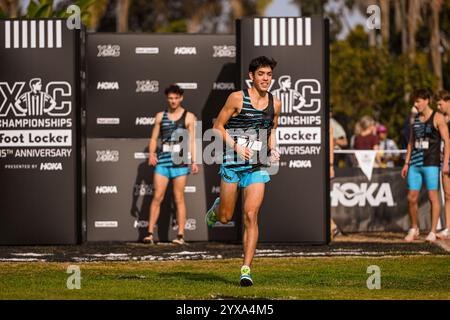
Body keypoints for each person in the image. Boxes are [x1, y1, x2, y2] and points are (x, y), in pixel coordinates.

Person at [205, 56, 281, 286]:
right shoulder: (237, 98)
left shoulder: (275, 103)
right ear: (252, 76)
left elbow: (272, 129)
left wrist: (273, 149)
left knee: (250, 215)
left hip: (257, 166)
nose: (266, 78)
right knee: (227, 217)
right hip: (232, 163)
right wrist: (236, 146)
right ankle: (216, 210)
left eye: (268, 74)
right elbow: (217, 126)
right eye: (261, 74)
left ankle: (246, 269)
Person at [143, 84, 199, 245]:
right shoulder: (161, 116)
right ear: (167, 98)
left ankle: (180, 235)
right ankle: (149, 233)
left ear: (181, 98)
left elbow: (193, 141)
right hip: (163, 161)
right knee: (157, 197)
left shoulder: (189, 117)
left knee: (179, 198)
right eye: (170, 98)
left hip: (180, 162)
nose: (173, 101)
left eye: (176, 98)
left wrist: (194, 161)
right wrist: (152, 154)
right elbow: (154, 138)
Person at [401, 89, 449, 242]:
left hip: (431, 164)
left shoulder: (438, 117)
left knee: (432, 197)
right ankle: (414, 228)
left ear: (427, 100)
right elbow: (410, 142)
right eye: (414, 102)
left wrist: (446, 163)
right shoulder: (415, 119)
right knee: (411, 197)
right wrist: (406, 163)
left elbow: (447, 141)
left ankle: (433, 231)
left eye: (418, 101)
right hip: (414, 164)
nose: (416, 105)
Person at [436, 90, 450, 239]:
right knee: (447, 195)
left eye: (440, 103)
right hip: (445, 160)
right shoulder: (440, 119)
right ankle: (448, 228)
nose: (439, 106)